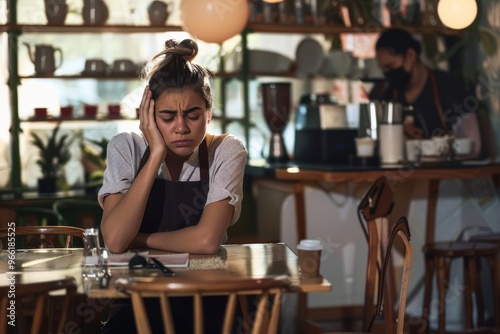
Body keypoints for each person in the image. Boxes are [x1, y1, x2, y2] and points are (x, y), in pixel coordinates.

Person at [98, 38, 247, 333]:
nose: (181, 127)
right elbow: (115, 240)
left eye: (193, 115)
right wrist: (155, 155)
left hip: (207, 300)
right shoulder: (126, 148)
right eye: (167, 117)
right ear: (149, 117)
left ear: (209, 113)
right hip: (137, 300)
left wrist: (138, 239)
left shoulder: (226, 151)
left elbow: (206, 241)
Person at [369, 28, 482, 157]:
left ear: (410, 55)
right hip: (407, 175)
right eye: (383, 69)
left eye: (391, 66)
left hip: (448, 173)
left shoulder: (448, 86)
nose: (387, 73)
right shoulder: (388, 95)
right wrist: (399, 133)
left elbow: (473, 143)